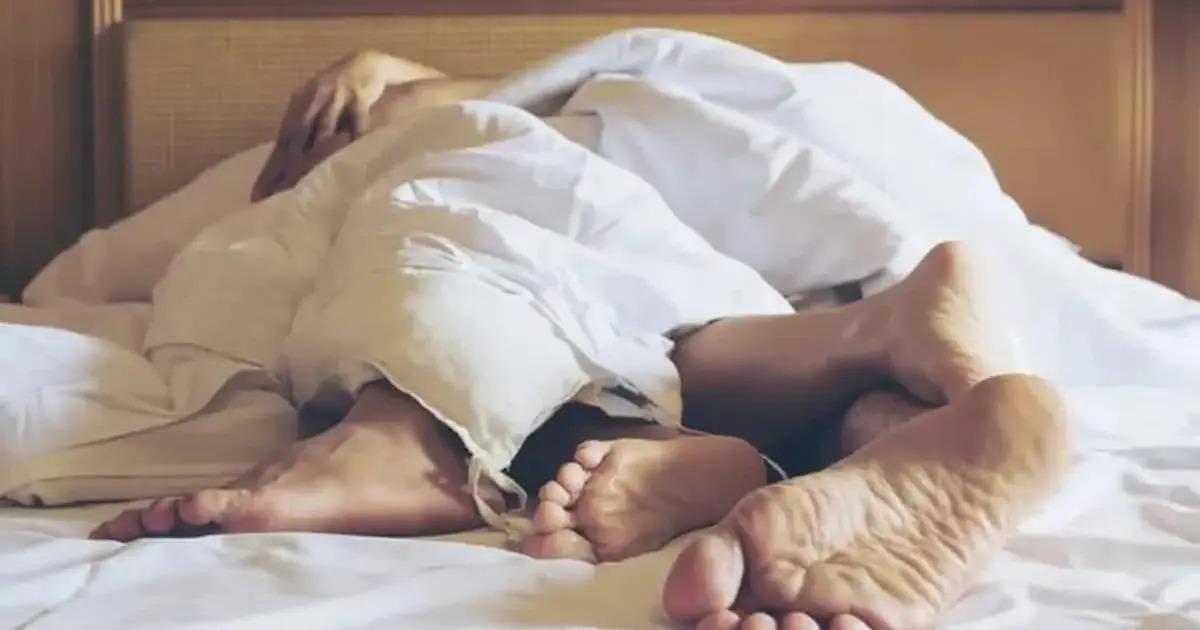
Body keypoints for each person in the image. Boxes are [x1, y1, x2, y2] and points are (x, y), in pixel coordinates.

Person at [89, 51, 1071, 630]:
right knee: (655, 341)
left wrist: (377, 87)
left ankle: (407, 429)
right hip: (728, 283)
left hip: (528, 175)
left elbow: (128, 276)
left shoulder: (427, 115)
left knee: (434, 214)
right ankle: (867, 369)